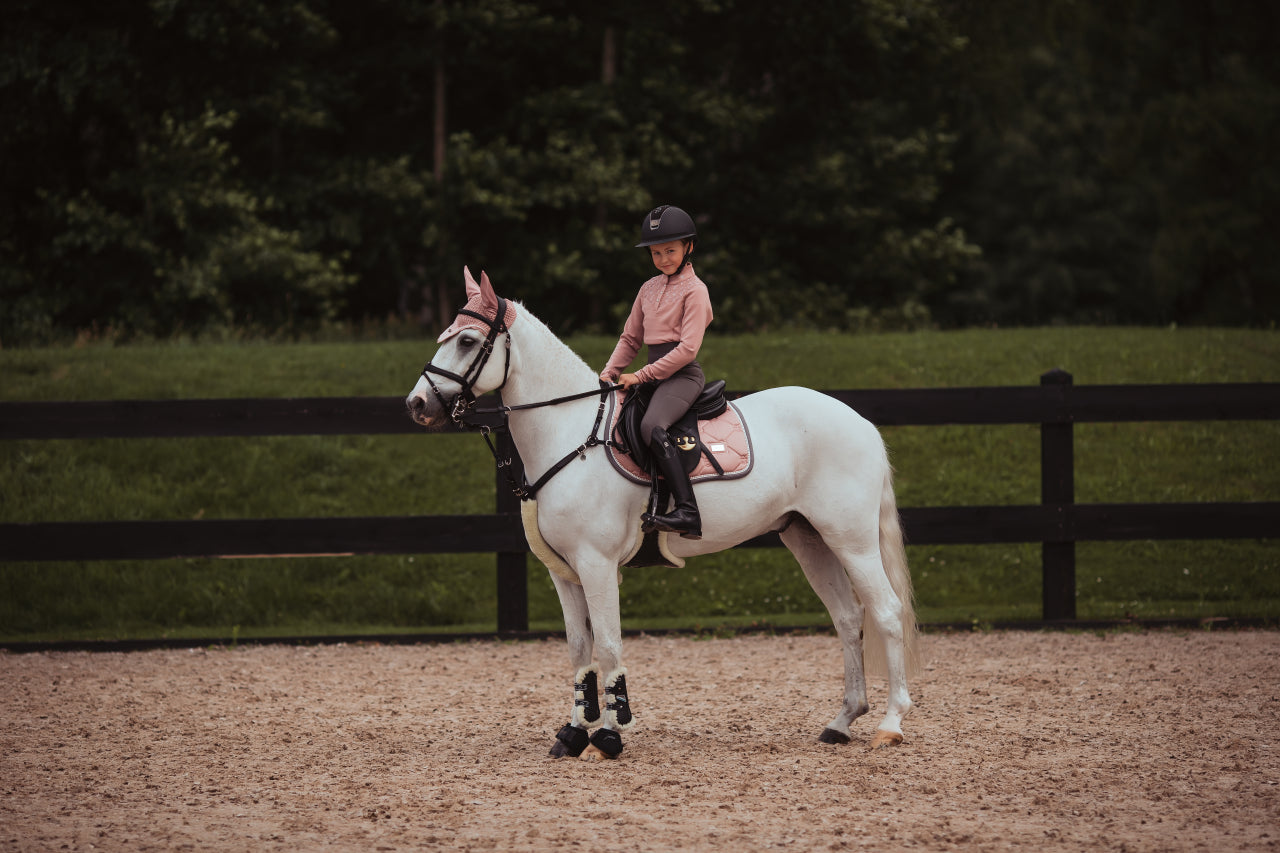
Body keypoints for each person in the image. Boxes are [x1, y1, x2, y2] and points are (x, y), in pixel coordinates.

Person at [600, 204, 713, 540]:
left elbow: (688, 350)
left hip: (681, 375)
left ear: (688, 247)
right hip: (653, 371)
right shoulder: (648, 289)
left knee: (652, 426)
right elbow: (631, 338)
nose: (663, 259)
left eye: (670, 251)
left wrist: (641, 375)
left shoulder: (696, 291)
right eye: (655, 253)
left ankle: (688, 511)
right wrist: (610, 372)